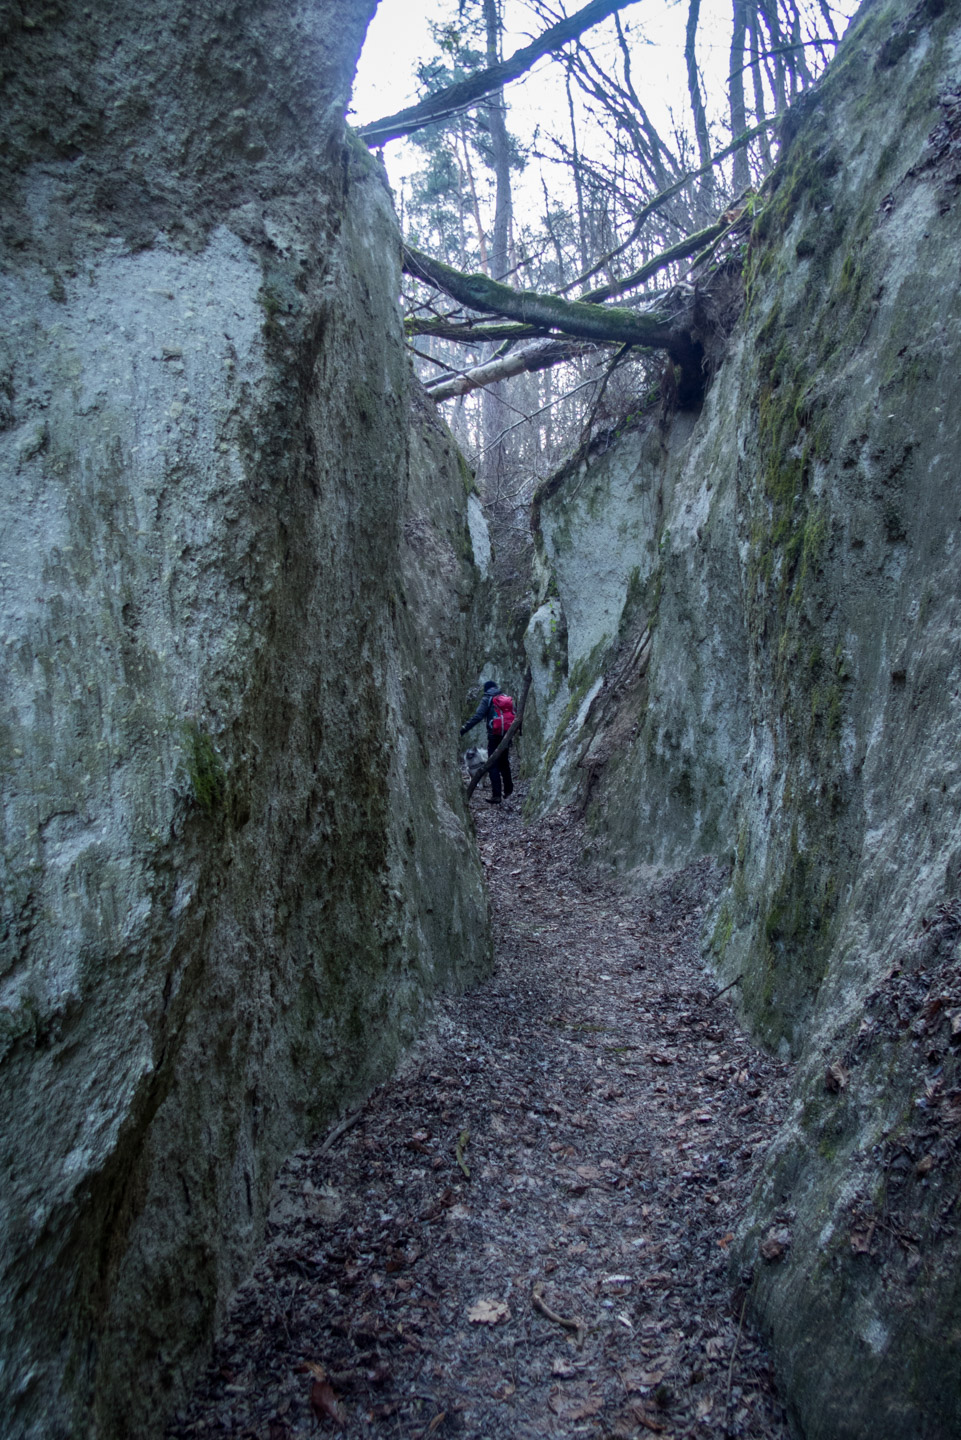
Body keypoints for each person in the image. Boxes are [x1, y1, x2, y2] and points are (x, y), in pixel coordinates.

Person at [460, 680, 514, 804]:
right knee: (504, 762)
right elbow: (514, 715)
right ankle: (508, 790)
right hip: (506, 734)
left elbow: (478, 716)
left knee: (492, 764)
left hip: (494, 735)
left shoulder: (487, 698)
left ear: (486, 689)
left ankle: (496, 795)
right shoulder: (505, 698)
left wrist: (463, 730)